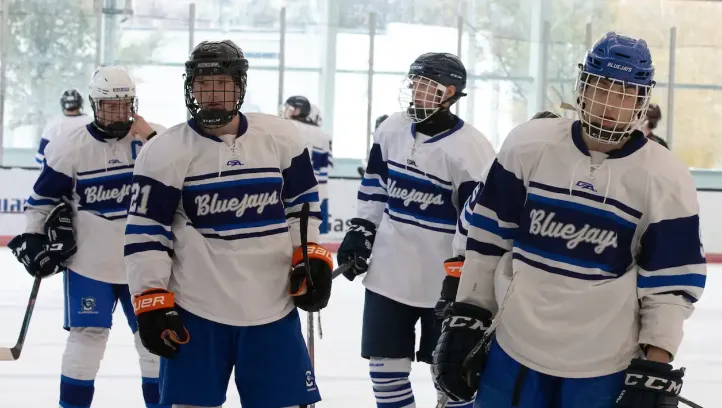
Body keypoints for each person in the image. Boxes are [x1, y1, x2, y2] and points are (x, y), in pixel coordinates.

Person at [432, 32, 706, 408]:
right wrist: (469, 313)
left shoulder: (665, 177)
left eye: (625, 93)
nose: (610, 104)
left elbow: (670, 284)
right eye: (602, 87)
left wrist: (657, 362)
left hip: (604, 362)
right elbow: (487, 242)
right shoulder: (529, 145)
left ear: (642, 101)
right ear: (583, 88)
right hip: (514, 349)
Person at [124, 39, 333, 408]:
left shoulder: (281, 137)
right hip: (197, 310)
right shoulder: (164, 152)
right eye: (203, 85)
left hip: (273, 306)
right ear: (191, 88)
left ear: (240, 87)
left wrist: (310, 256)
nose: (212, 95)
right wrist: (150, 299)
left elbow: (302, 208)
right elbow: (146, 233)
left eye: (222, 84)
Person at [336, 52, 496, 408]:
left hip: (443, 280)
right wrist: (361, 230)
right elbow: (375, 186)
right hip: (389, 275)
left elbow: (476, 221)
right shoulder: (391, 128)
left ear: (450, 93)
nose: (417, 92)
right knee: (384, 367)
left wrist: (463, 273)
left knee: (454, 377)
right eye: (416, 84)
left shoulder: (471, 148)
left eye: (427, 86)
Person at [9, 66, 167, 408]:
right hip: (88, 265)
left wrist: (152, 137)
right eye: (110, 105)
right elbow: (41, 202)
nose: (118, 112)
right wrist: (33, 238)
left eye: (124, 103)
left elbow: (181, 178)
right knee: (87, 341)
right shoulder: (70, 146)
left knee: (152, 343)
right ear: (95, 104)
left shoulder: (155, 139)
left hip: (144, 265)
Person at [282, 96, 333, 234]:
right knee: (312, 238)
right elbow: (327, 166)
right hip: (318, 191)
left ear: (299, 110)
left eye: (289, 108)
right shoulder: (323, 135)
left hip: (292, 190)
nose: (285, 111)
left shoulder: (288, 127)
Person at [35, 89, 92, 164]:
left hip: (60, 173)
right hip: (90, 172)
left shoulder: (53, 125)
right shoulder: (92, 123)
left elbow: (40, 157)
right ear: (80, 103)